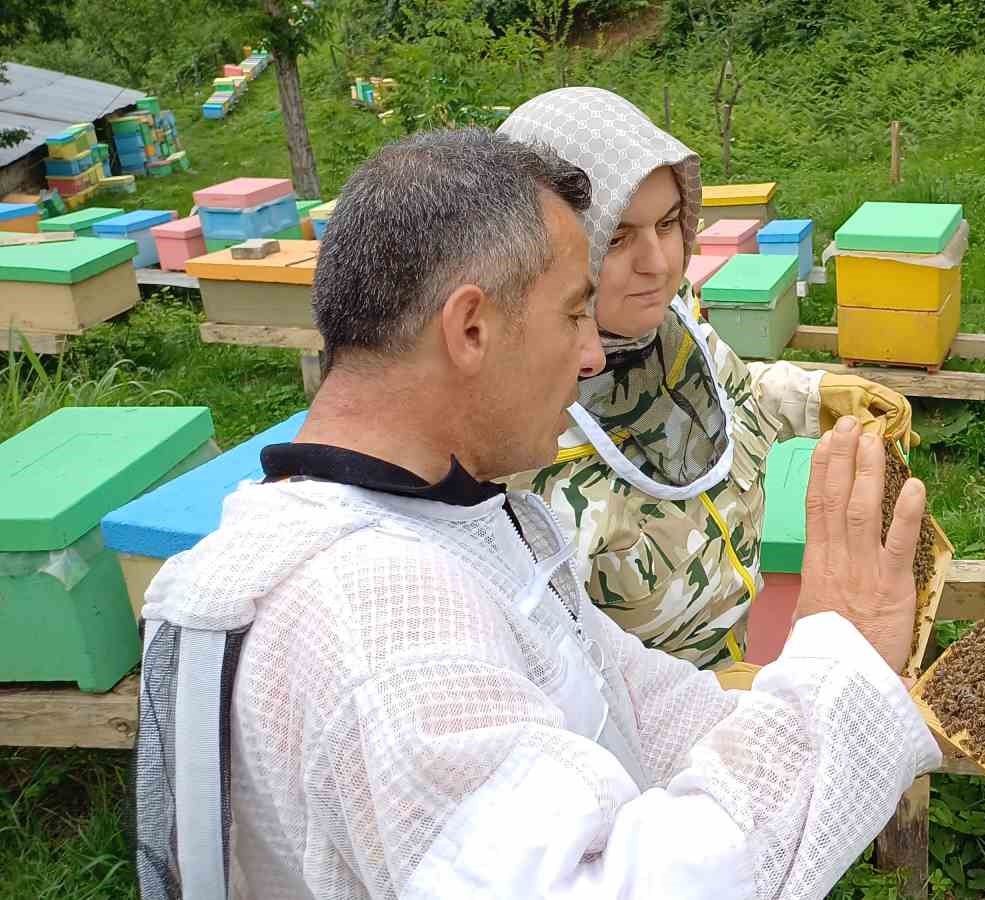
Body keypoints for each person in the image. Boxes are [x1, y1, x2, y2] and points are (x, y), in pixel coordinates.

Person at [131, 127, 941, 900]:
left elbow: (627, 694)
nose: (592, 354)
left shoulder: (463, 513)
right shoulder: (379, 634)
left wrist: (798, 704)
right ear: (471, 327)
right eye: (570, 314)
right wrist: (838, 668)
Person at [497, 87, 918, 671]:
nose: (658, 262)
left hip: (746, 653)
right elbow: (549, 674)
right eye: (616, 237)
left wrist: (814, 396)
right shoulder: (511, 442)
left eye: (668, 224)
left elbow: (723, 391)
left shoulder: (673, 316)